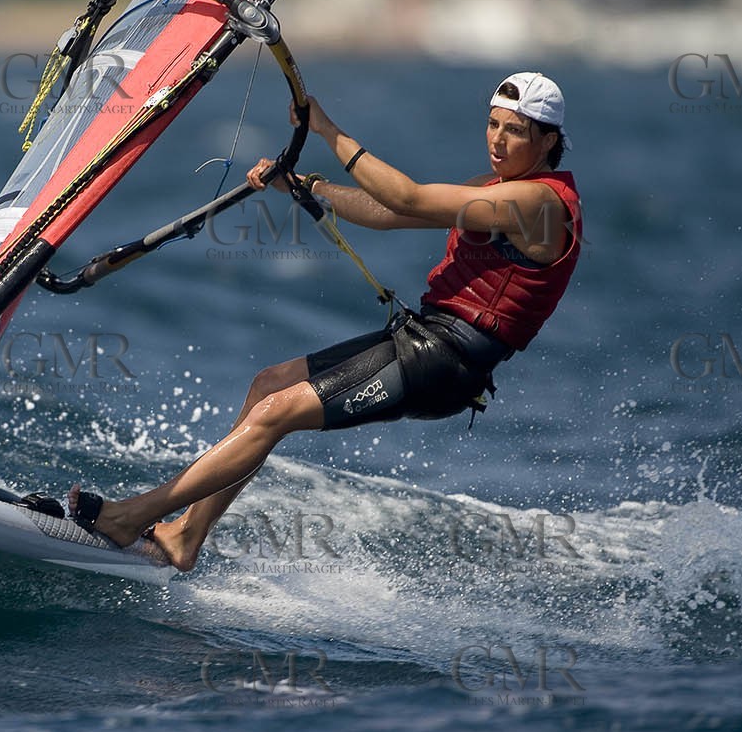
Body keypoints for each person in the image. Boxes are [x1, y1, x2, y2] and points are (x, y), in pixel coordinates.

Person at [66, 71, 582, 571]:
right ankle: (184, 536)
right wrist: (307, 185)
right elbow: (388, 213)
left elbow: (407, 195)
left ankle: (129, 517)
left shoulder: (536, 201)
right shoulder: (499, 188)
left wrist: (327, 130)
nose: (497, 139)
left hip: (446, 361)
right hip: (422, 340)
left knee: (275, 413)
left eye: (514, 131)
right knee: (267, 385)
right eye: (493, 124)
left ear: (548, 140)